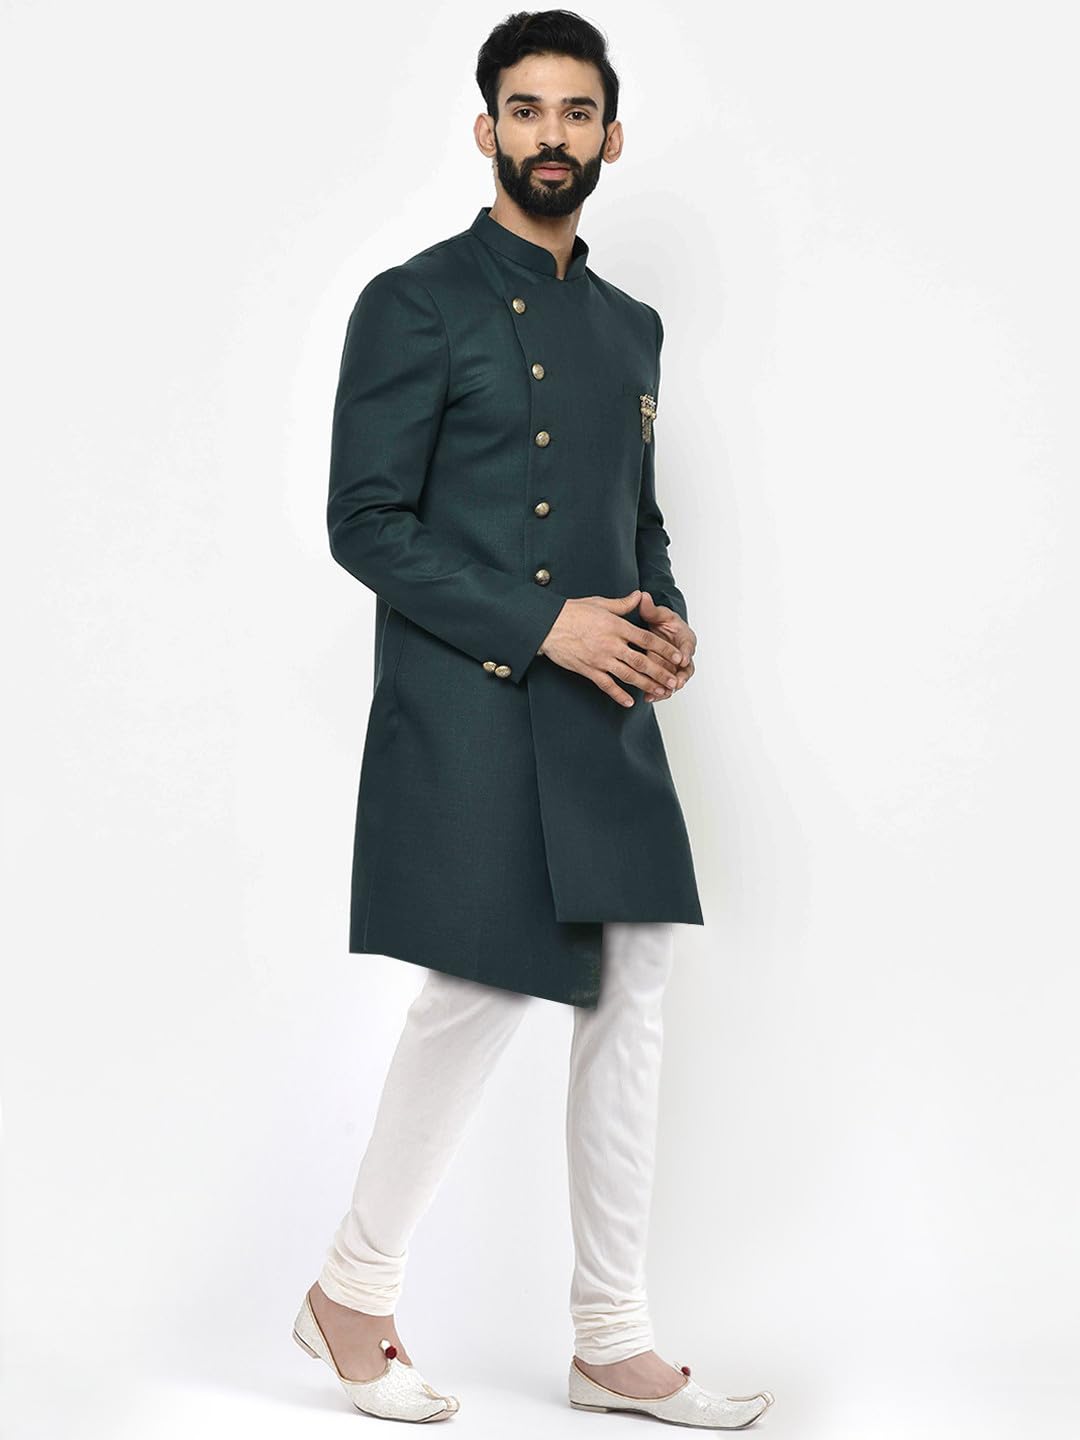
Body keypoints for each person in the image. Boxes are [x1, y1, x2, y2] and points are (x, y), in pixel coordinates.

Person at [292, 9, 775, 1428]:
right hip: (476, 694)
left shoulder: (632, 327)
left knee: (633, 984)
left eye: (575, 112)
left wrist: (664, 613)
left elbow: (637, 515)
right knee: (486, 984)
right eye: (524, 109)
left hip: (604, 702)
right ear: (485, 128)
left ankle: (610, 1337)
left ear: (610, 135)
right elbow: (364, 520)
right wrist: (542, 623)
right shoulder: (414, 301)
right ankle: (354, 1288)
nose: (550, 134)